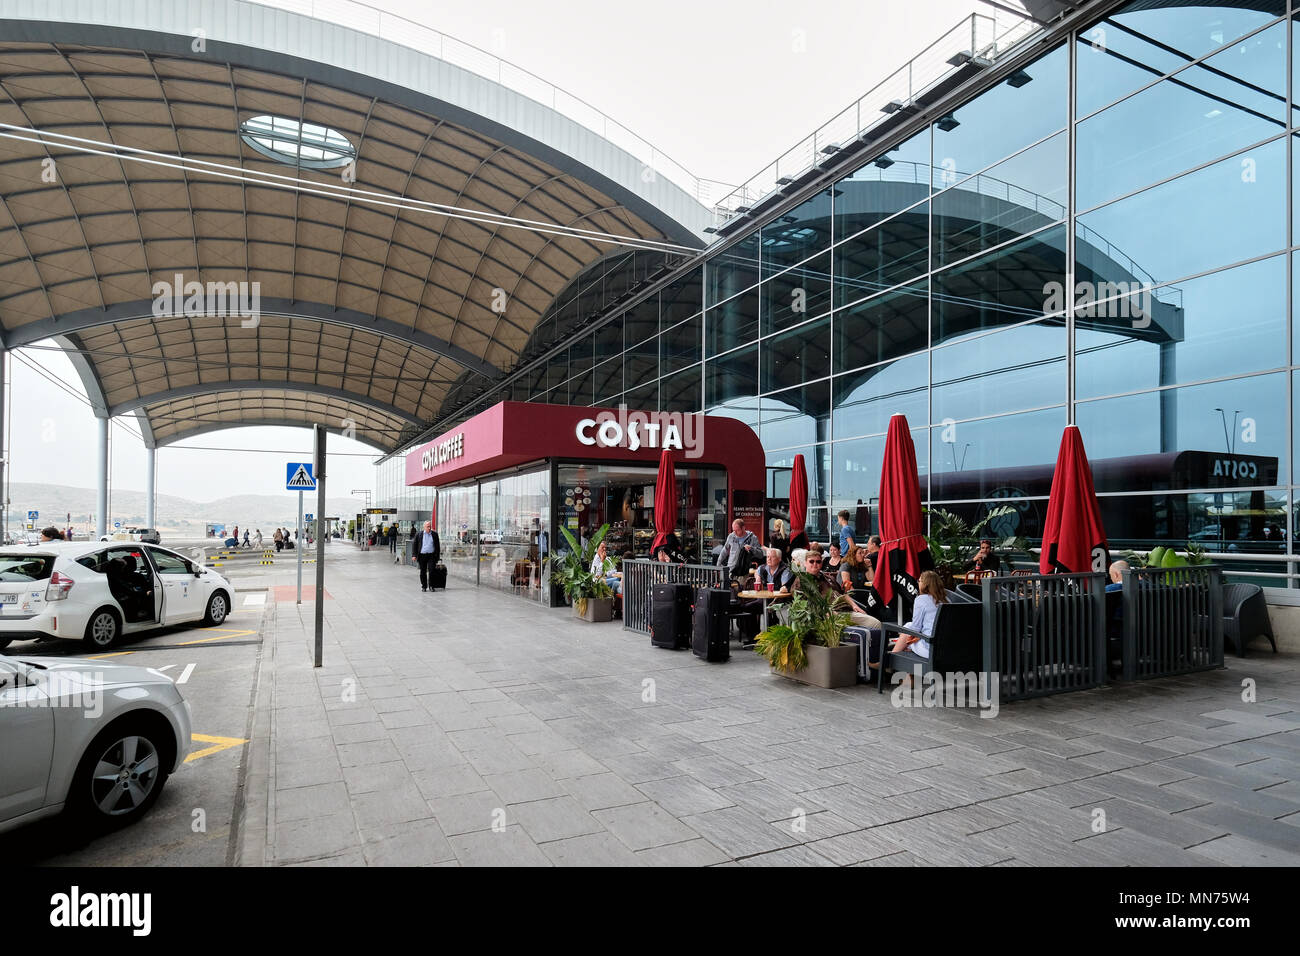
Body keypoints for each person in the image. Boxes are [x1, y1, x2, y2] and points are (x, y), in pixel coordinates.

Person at [805, 548, 879, 629]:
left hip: (846, 609)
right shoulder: (802, 581)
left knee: (876, 624)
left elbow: (843, 594)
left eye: (818, 561)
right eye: (811, 561)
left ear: (821, 563)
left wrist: (854, 606)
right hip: (829, 615)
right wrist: (826, 612)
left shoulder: (828, 578)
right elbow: (805, 605)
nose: (815, 564)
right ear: (805, 563)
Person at [891, 569, 946, 660]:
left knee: (908, 630)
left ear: (925, 584)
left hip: (930, 649)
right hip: (945, 648)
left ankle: (890, 661)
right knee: (909, 633)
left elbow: (915, 628)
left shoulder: (921, 599)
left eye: (919, 581)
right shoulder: (946, 600)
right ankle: (910, 673)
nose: (918, 583)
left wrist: (908, 642)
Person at [716, 518, 760, 583]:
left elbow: (760, 554)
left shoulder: (752, 538)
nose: (735, 532)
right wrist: (718, 564)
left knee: (739, 590)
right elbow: (725, 550)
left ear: (743, 528)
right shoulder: (731, 536)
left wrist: (751, 548)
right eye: (734, 530)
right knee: (729, 590)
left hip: (743, 571)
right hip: (730, 569)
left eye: (737, 530)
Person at [411, 520, 441, 592]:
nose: (429, 528)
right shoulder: (419, 534)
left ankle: (431, 586)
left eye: (430, 526)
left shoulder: (434, 534)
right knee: (423, 571)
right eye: (428, 527)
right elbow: (414, 545)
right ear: (424, 527)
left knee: (432, 571)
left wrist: (437, 556)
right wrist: (414, 555)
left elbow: (437, 546)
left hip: (431, 555)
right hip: (422, 556)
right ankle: (424, 586)